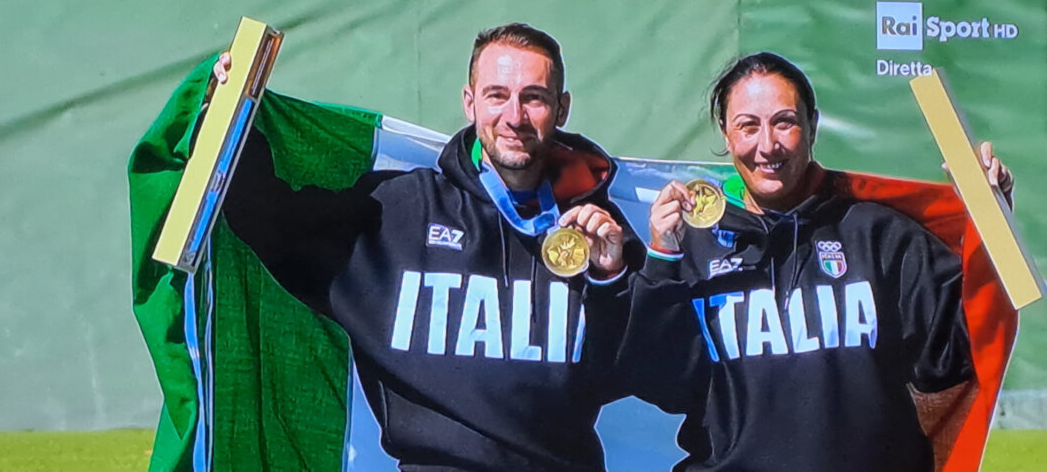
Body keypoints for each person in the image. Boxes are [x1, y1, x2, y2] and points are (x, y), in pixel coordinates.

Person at [213, 23, 643, 471]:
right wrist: (227, 109)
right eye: (497, 95)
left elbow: (648, 366)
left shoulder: (598, 230)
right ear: (469, 102)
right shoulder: (401, 211)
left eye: (533, 96)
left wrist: (611, 278)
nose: (514, 115)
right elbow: (270, 219)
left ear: (562, 107)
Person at [617, 52, 1013, 471]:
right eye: (748, 125)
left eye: (784, 121)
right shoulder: (694, 246)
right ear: (726, 133)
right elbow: (659, 384)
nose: (767, 145)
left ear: (812, 126)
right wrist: (662, 261)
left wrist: (991, 225)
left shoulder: (878, 234)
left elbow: (955, 356)